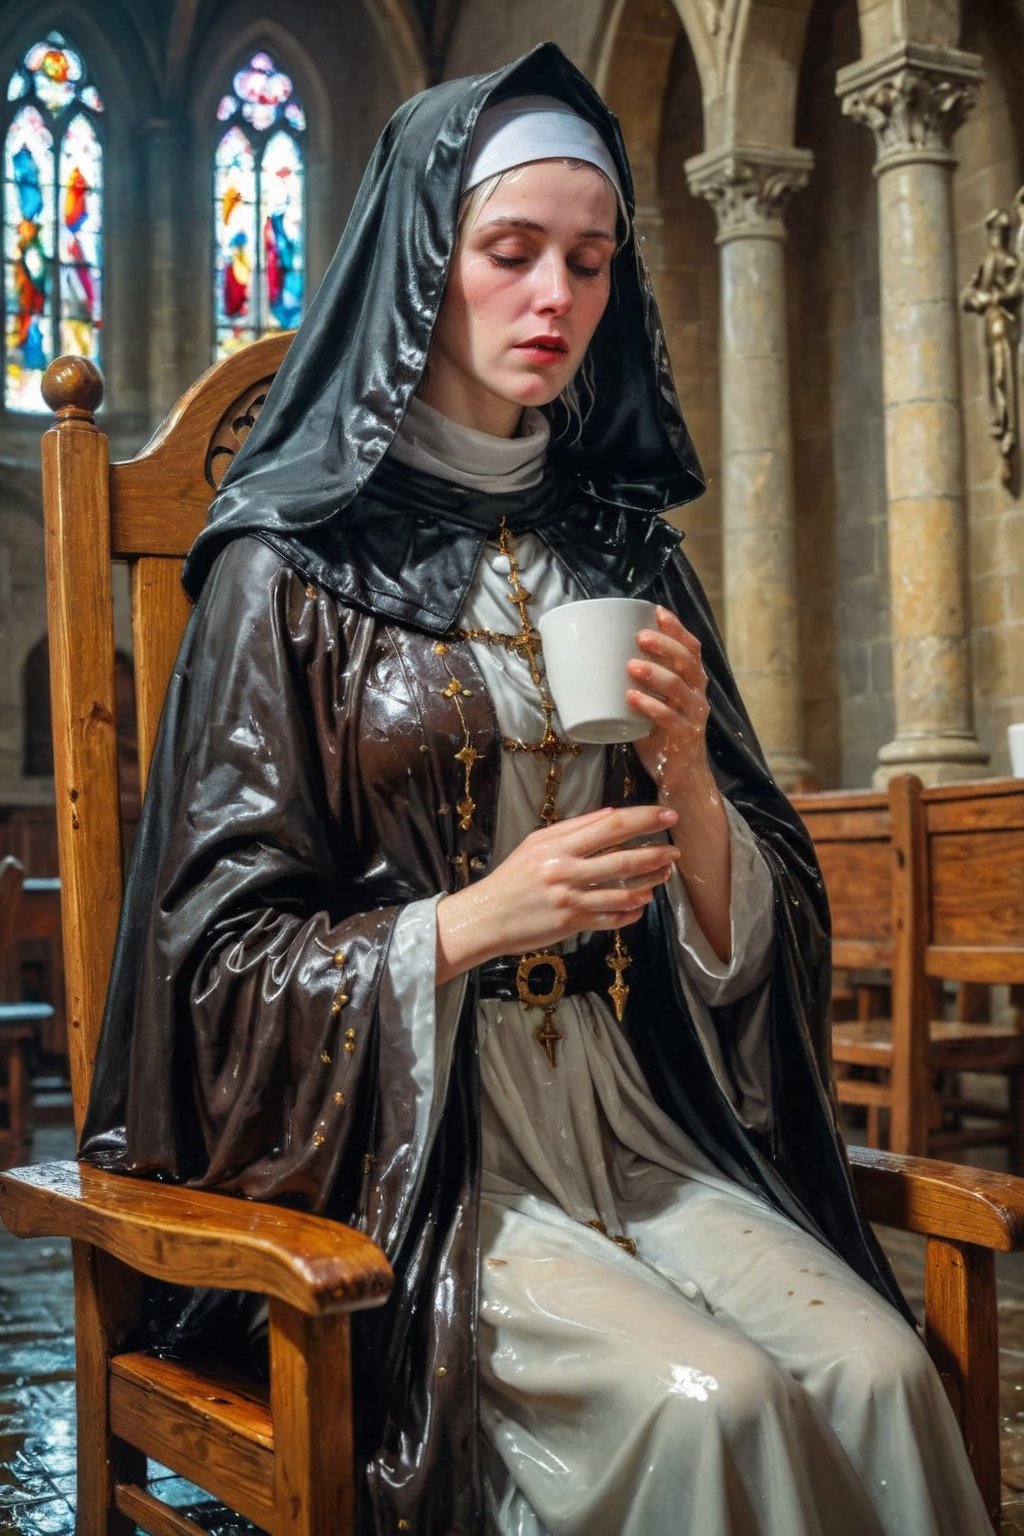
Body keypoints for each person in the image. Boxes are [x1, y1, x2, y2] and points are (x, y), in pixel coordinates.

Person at [81, 41, 991, 1536]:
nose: (556, 299)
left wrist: (694, 779)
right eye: (511, 253)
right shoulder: (283, 570)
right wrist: (460, 925)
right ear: (426, 266)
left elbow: (761, 929)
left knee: (884, 1374)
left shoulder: (626, 553)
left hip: (643, 1120)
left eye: (590, 260)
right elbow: (207, 977)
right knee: (721, 1402)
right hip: (419, 1167)